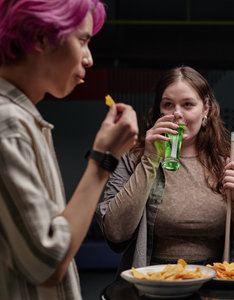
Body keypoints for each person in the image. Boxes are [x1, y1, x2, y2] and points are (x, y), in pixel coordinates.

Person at [0, 0, 139, 299]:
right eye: (83, 41)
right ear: (40, 37)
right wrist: (104, 159)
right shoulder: (8, 125)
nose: (89, 59)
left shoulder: (23, 120)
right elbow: (47, 263)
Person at [96, 66, 234, 294]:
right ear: (158, 111)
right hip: (151, 286)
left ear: (205, 110)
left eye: (188, 104)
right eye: (168, 105)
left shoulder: (229, 160)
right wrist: (150, 159)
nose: (177, 114)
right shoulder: (134, 158)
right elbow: (115, 233)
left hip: (214, 286)